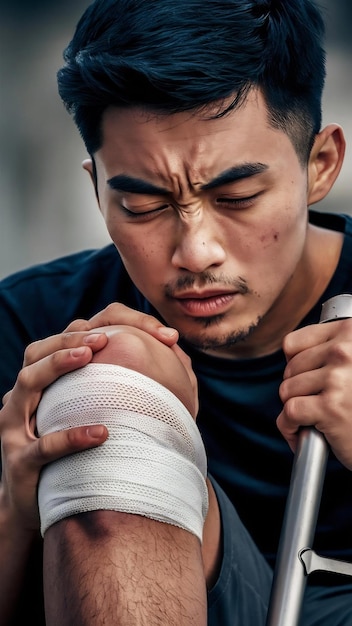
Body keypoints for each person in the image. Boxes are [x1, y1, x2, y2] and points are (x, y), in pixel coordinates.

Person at [1, 0, 352, 623]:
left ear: (319, 164)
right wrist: (15, 511)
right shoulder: (32, 323)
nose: (195, 253)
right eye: (143, 206)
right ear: (97, 188)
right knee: (105, 377)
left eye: (237, 197)